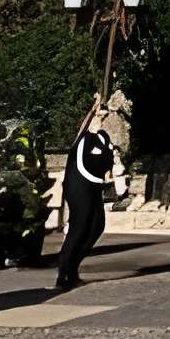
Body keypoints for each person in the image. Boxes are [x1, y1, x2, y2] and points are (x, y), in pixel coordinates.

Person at [53, 109, 116, 293]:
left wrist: (106, 155)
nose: (104, 119)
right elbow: (95, 162)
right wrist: (105, 156)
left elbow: (106, 162)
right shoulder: (83, 140)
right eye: (100, 115)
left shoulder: (102, 139)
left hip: (94, 186)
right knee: (79, 228)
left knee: (97, 226)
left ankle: (73, 267)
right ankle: (64, 273)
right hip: (79, 187)